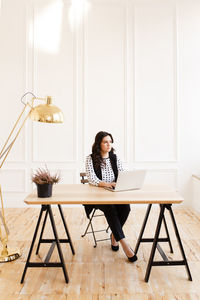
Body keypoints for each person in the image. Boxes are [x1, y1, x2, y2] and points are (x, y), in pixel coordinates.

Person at [85, 131, 137, 262]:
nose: (109, 144)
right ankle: (124, 243)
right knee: (110, 208)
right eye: (105, 142)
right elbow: (92, 179)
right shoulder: (90, 159)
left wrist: (120, 184)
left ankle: (114, 235)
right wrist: (107, 184)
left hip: (115, 193)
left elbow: (122, 174)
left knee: (126, 208)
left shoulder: (115, 158)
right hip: (97, 196)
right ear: (99, 144)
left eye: (110, 141)